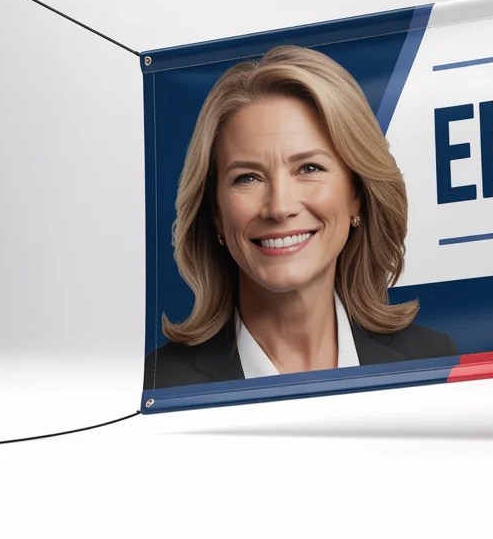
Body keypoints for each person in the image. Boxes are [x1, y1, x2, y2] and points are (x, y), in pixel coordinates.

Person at [144, 45, 456, 390]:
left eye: (309, 168)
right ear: (216, 212)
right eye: (247, 177)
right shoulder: (159, 385)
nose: (279, 207)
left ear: (357, 195)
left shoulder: (430, 360)